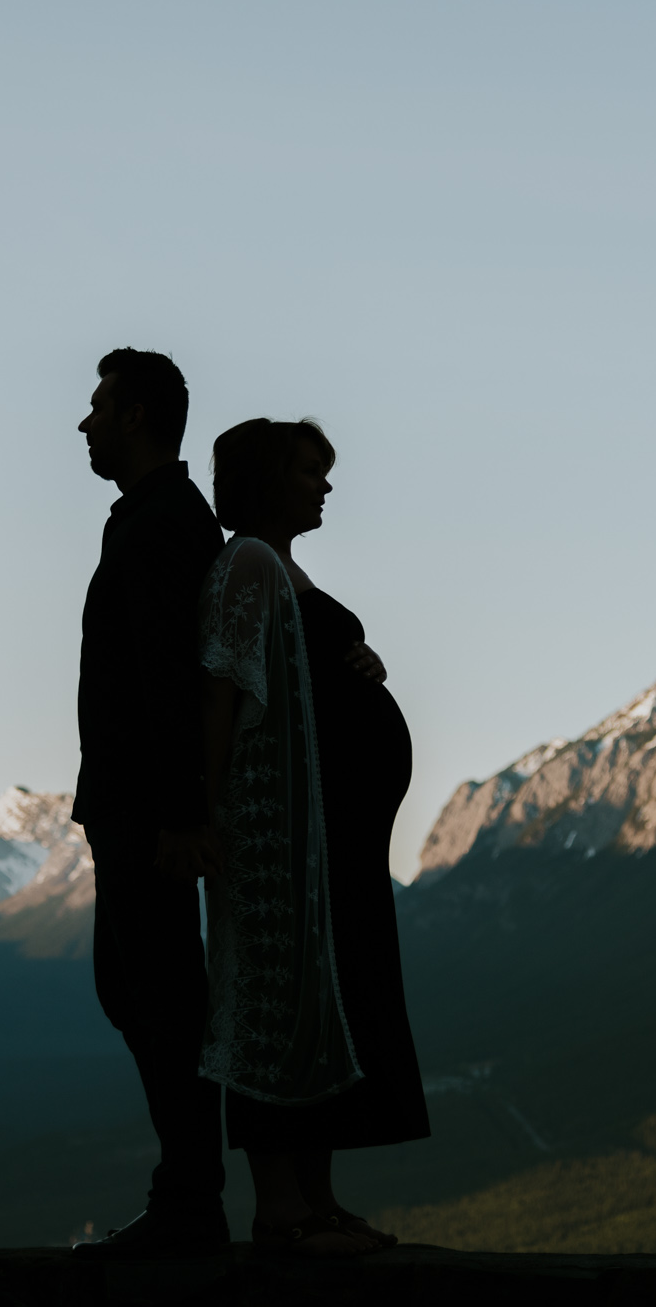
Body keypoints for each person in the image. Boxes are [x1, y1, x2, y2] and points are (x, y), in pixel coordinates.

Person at [196, 418, 431, 1257]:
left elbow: (300, 666)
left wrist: (360, 659)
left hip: (335, 841)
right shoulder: (250, 563)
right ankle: (281, 1210)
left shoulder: (284, 569)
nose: (324, 486)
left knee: (329, 1007)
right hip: (285, 838)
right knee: (280, 1006)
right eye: (308, 472)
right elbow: (222, 685)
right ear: (267, 479)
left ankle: (320, 1203)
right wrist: (210, 814)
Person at [70, 348, 230, 1260]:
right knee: (133, 990)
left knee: (159, 996)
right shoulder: (145, 518)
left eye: (98, 407)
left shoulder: (163, 524)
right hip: (131, 804)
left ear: (136, 417)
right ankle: (185, 1193)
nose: (85, 423)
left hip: (146, 811)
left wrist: (180, 816)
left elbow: (174, 677)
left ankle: (189, 1202)